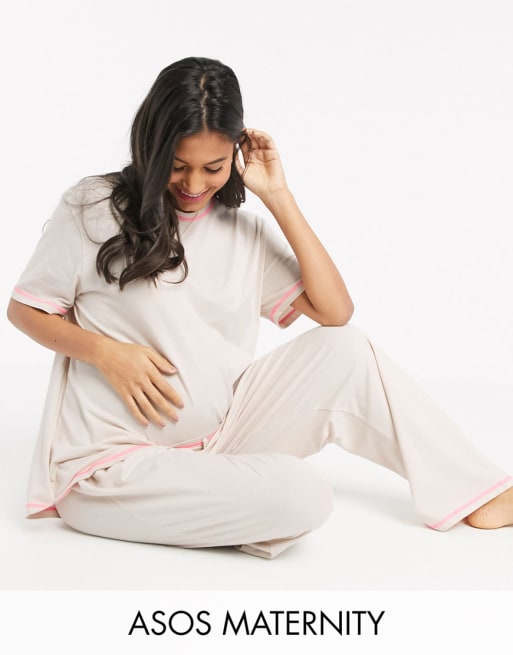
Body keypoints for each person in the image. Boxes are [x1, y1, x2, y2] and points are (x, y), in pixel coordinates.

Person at [7, 56, 513, 559]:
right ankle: (221, 502)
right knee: (302, 495)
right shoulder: (94, 208)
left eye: (213, 167)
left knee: (346, 350)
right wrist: (104, 352)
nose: (194, 185)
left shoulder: (240, 229)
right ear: (152, 147)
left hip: (222, 438)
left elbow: (335, 312)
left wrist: (278, 196)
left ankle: (475, 492)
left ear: (235, 155)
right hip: (113, 468)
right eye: (177, 166)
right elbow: (24, 310)